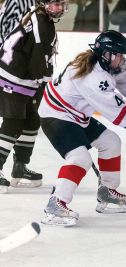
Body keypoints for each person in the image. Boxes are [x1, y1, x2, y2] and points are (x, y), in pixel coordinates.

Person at [39, 30, 126, 226]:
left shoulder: (111, 66)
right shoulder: (92, 77)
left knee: (111, 142)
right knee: (80, 158)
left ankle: (106, 193)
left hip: (78, 116)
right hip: (56, 115)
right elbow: (118, 109)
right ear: (106, 54)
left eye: (123, 55)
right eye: (118, 55)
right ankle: (56, 203)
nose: (122, 59)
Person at [0, 0, 68, 193]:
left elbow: (42, 59)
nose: (60, 9)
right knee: (13, 122)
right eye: (55, 4)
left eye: (62, 5)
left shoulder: (43, 19)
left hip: (25, 77)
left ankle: (20, 167)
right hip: (11, 76)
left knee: (31, 120)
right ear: (43, 4)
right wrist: (46, 83)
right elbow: (38, 60)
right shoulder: (39, 22)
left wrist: (44, 81)